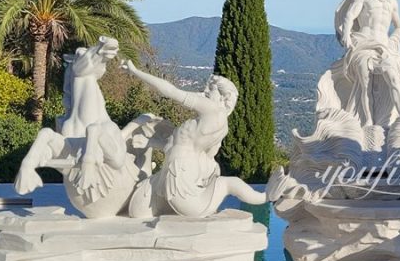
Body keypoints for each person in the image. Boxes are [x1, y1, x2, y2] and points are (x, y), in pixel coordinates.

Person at [121, 61, 286, 217]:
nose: (205, 91)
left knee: (228, 183)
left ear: (223, 97)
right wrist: (151, 142)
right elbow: (187, 149)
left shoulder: (212, 110)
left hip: (181, 179)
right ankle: (264, 196)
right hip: (173, 172)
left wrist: (136, 72)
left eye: (210, 88)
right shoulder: (221, 125)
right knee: (137, 211)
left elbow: (171, 91)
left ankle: (264, 197)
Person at [335, 0, 400, 127]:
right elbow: (350, 16)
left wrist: (393, 41)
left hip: (384, 46)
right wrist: (346, 35)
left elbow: (399, 26)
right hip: (362, 44)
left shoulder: (392, 2)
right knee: (364, 83)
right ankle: (368, 120)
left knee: (394, 77)